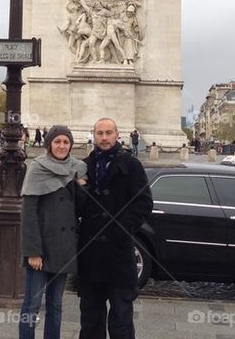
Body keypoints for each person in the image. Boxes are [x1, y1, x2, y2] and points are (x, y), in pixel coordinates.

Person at [76, 118, 153, 339]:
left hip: (119, 253)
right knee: (90, 320)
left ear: (117, 135)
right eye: (99, 133)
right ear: (94, 135)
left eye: (108, 132)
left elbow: (144, 203)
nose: (104, 137)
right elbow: (75, 206)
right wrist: (80, 190)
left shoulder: (132, 165)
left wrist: (120, 228)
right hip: (90, 254)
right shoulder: (84, 165)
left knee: (121, 322)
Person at [19, 126, 86, 339]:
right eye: (57, 142)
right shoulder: (37, 168)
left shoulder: (77, 168)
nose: (62, 146)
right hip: (41, 250)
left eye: (66, 142)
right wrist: (33, 252)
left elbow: (82, 208)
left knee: (56, 305)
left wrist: (81, 186)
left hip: (63, 248)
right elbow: (28, 214)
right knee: (32, 304)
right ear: (49, 144)